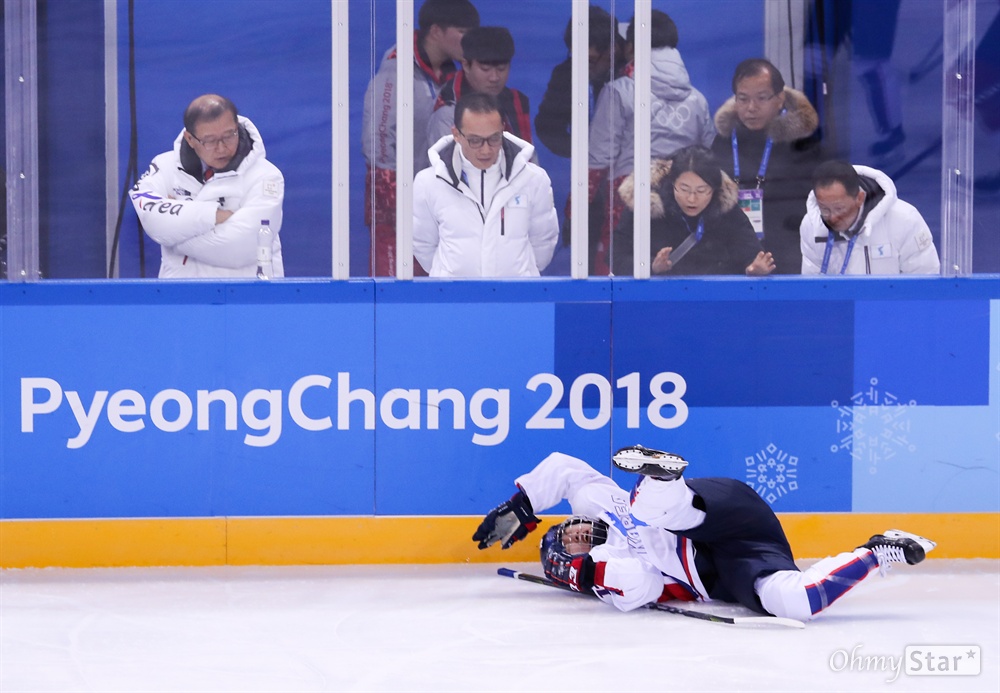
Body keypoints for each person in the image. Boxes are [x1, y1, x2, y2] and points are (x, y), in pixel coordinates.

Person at [472, 446, 936, 622]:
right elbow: (639, 586)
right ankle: (879, 551)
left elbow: (564, 468)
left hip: (712, 511)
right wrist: (586, 575)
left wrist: (524, 503)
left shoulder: (599, 505)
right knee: (793, 602)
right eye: (568, 544)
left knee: (651, 508)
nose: (574, 532)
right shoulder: (613, 575)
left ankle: (662, 480)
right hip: (734, 562)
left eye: (567, 528)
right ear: (566, 563)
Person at [587, 10, 715, 275]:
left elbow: (597, 160)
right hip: (684, 198)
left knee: (618, 273)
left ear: (631, 46)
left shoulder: (619, 90)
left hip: (627, 198)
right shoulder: (697, 99)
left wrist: (574, 212)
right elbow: (709, 155)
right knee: (677, 270)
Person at [361, 0, 480, 277]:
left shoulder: (459, 73)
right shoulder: (395, 70)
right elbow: (377, 140)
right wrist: (395, 200)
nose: (470, 40)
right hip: (396, 203)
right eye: (463, 32)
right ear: (436, 31)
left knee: (436, 288)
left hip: (441, 204)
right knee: (394, 289)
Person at [130, 94, 285, 278]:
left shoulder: (266, 176)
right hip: (181, 298)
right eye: (210, 141)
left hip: (246, 297)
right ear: (190, 139)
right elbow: (150, 218)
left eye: (229, 136)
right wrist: (213, 215)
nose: (221, 148)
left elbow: (240, 247)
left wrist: (174, 236)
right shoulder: (164, 166)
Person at [412, 92, 559, 277]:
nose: (486, 149)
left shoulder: (534, 180)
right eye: (475, 140)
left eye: (494, 138)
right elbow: (423, 245)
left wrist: (520, 275)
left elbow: (544, 242)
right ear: (456, 134)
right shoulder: (428, 183)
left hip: (516, 299)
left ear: (503, 131)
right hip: (454, 300)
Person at [711, 59, 822, 275]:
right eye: (743, 99)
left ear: (779, 99)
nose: (751, 108)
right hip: (732, 256)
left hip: (789, 254)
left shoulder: (802, 143)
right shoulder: (723, 142)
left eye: (761, 98)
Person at [613, 146, 773, 276]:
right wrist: (650, 266)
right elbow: (615, 257)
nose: (691, 199)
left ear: (715, 188)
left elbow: (751, 255)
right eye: (684, 189)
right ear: (671, 183)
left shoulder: (727, 210)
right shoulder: (646, 207)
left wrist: (753, 269)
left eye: (702, 190)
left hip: (713, 299)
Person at [800, 160, 940, 275]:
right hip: (841, 308)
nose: (832, 218)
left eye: (839, 209)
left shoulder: (904, 219)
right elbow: (812, 287)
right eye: (824, 209)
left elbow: (925, 281)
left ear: (860, 198)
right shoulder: (811, 225)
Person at [534, 5, 624, 159]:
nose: (581, 67)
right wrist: (583, 153)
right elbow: (547, 127)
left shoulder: (632, 73)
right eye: (576, 57)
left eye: (590, 60)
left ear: (612, 50)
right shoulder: (565, 74)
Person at [426, 26, 533, 147]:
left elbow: (528, 157)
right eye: (485, 69)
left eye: (501, 69)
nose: (494, 78)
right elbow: (445, 163)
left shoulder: (516, 102)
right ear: (466, 66)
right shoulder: (448, 109)